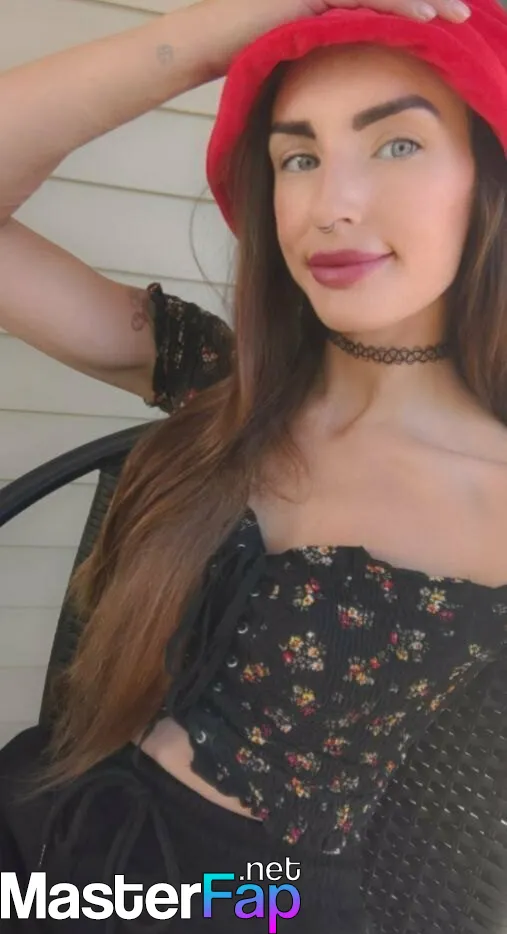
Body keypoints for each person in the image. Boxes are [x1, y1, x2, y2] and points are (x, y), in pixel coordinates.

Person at [0, 0, 506, 930]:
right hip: (47, 827)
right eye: (296, 157)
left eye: (396, 144)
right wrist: (225, 30)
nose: (331, 204)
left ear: (488, 178)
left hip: (244, 903)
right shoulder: (220, 380)